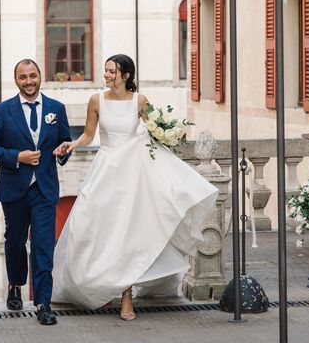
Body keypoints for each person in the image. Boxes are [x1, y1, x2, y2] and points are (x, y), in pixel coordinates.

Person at [52, 54, 218, 320]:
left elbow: (155, 131)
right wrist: (71, 145)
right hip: (105, 169)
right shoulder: (96, 100)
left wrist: (170, 134)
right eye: (105, 70)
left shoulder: (140, 102)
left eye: (111, 71)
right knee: (94, 229)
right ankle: (102, 287)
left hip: (132, 174)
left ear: (126, 75)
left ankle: (126, 295)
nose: (105, 75)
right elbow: (88, 134)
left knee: (127, 233)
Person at [0, 58, 72, 325]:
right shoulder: (3, 110)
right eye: (23, 77)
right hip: (15, 187)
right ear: (16, 81)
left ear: (40, 76)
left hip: (43, 188)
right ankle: (15, 284)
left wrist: (64, 152)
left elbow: (64, 144)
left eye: (33, 76)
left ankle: (43, 303)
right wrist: (16, 156)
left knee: (44, 245)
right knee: (15, 241)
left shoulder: (57, 108)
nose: (29, 81)